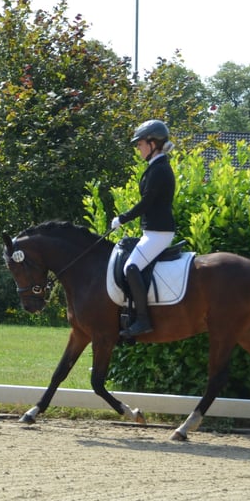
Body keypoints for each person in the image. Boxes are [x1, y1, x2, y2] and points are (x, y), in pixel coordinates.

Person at [110, 119, 176, 338]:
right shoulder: (155, 167)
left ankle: (143, 321)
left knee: (131, 268)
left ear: (153, 143)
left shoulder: (159, 170)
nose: (138, 149)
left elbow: (147, 202)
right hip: (153, 231)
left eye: (140, 144)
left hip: (159, 232)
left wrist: (123, 218)